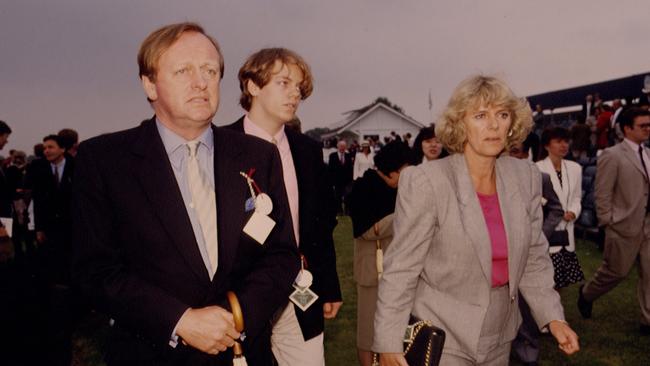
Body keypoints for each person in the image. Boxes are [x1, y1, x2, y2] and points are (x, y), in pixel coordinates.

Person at [72, 22, 299, 365]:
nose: (200, 82)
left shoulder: (258, 156)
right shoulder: (106, 161)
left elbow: (282, 255)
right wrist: (180, 321)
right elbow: (96, 270)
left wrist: (235, 317)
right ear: (149, 84)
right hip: (151, 354)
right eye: (183, 70)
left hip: (243, 352)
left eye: (210, 70)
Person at [373, 75, 579, 366]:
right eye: (481, 115)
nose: (494, 125)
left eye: (502, 115)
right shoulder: (427, 181)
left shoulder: (526, 177)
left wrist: (553, 317)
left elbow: (533, 256)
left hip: (501, 332)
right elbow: (402, 267)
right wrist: (388, 341)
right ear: (460, 124)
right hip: (442, 331)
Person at [226, 47, 342, 366]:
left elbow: (320, 225)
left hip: (300, 293)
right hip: (243, 298)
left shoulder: (307, 150)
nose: (295, 94)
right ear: (252, 86)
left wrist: (329, 286)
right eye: (284, 83)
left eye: (299, 87)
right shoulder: (221, 148)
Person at [578, 108, 650, 336]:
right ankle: (587, 294)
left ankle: (647, 319)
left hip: (647, 225)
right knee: (616, 272)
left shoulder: (648, 154)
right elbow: (603, 192)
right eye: (643, 125)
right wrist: (607, 222)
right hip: (622, 225)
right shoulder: (612, 155)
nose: (648, 129)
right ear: (627, 128)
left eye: (649, 125)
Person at [347, 141, 411, 366]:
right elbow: (365, 230)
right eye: (406, 170)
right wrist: (405, 215)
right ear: (393, 170)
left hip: (399, 269)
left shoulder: (403, 191)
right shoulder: (364, 187)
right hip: (373, 271)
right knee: (368, 331)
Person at [508, 139, 565, 366]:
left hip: (526, 259)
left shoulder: (538, 179)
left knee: (525, 315)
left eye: (516, 152)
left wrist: (540, 232)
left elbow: (555, 208)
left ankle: (527, 357)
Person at [536, 127, 585, 289]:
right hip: (546, 231)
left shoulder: (575, 168)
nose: (564, 145)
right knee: (547, 282)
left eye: (566, 141)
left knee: (561, 284)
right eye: (558, 141)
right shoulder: (536, 169)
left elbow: (577, 197)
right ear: (547, 145)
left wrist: (573, 211)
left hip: (567, 232)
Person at [328, 140, 353, 213]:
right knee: (338, 196)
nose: (342, 148)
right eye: (341, 146)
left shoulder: (348, 156)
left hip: (347, 180)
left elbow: (350, 168)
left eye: (344, 146)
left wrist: (351, 179)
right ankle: (339, 211)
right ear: (337, 146)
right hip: (336, 180)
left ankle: (347, 210)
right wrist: (331, 180)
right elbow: (330, 169)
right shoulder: (332, 156)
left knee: (347, 196)